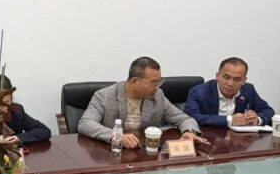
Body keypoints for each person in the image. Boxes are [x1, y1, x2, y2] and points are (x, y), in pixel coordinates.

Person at [77, 57, 207, 148]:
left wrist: (189, 132)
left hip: (144, 153)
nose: (157, 87)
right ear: (135, 81)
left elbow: (183, 119)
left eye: (159, 82)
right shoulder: (104, 96)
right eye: (153, 82)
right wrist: (117, 136)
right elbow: (85, 123)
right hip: (112, 154)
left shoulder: (158, 95)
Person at [184, 57, 275, 128]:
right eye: (226, 77)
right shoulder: (199, 91)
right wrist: (229, 120)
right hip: (209, 139)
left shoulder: (248, 90)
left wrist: (257, 119)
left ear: (244, 81)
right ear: (217, 76)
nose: (230, 83)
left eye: (237, 79)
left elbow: (268, 111)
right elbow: (191, 116)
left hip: (238, 141)